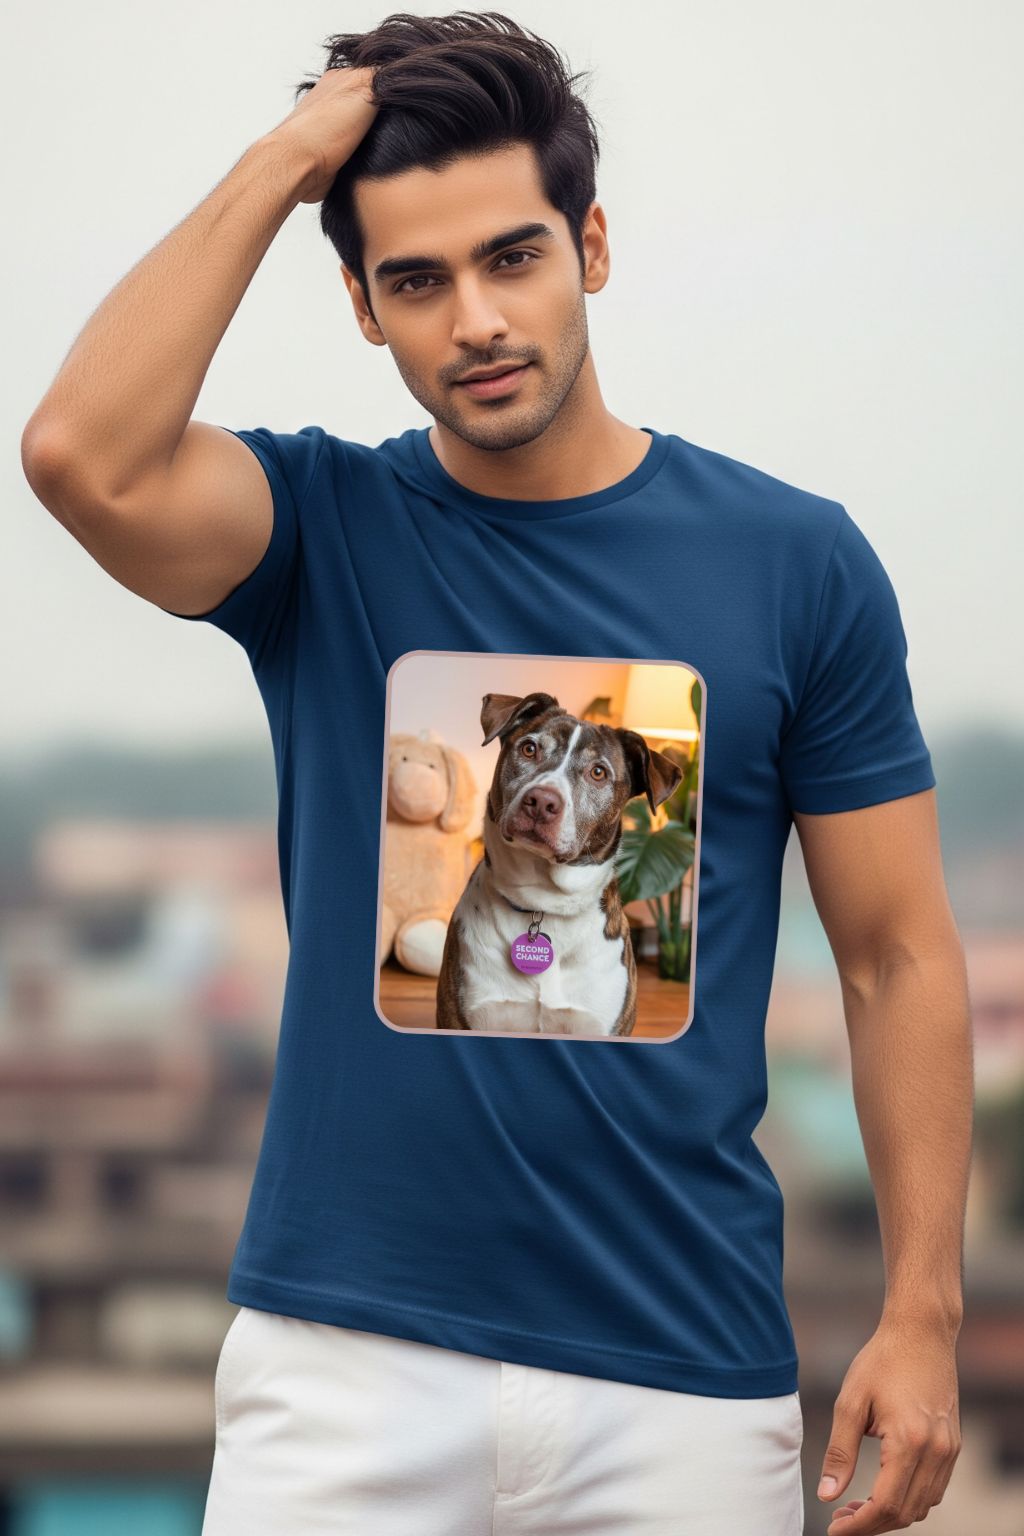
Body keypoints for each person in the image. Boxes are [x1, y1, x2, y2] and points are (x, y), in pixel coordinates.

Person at [21, 11, 970, 1534]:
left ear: (591, 244)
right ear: (363, 306)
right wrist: (284, 161)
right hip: (343, 1363)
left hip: (679, 1373)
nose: (473, 318)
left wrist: (923, 1310)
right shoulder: (318, 533)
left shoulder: (796, 563)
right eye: (416, 280)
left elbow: (899, 958)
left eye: (511, 257)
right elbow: (83, 457)